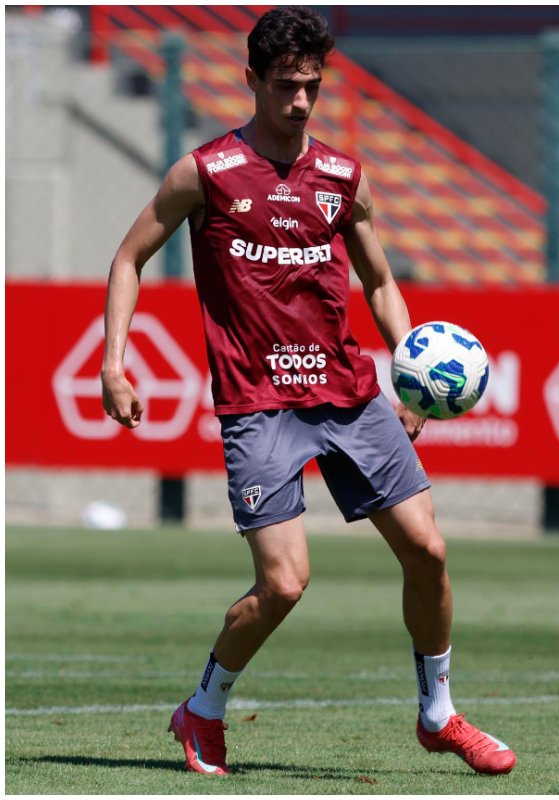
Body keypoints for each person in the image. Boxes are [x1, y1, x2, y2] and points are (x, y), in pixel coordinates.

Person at [101, 6, 515, 778]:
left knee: (428, 550)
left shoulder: (341, 177)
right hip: (258, 406)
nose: (300, 101)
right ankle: (205, 708)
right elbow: (127, 260)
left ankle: (438, 714)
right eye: (286, 86)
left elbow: (382, 280)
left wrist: (413, 369)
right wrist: (114, 363)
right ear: (252, 79)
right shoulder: (205, 173)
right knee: (285, 584)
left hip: (350, 394)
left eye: (312, 87)